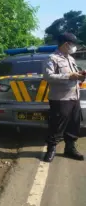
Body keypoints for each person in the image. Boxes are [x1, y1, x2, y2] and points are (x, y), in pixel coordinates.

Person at [43, 32, 85, 162]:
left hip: (74, 97)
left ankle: (70, 148)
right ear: (66, 44)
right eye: (73, 44)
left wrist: (80, 75)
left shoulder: (71, 59)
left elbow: (74, 74)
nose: (74, 47)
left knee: (74, 124)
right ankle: (51, 150)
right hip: (60, 99)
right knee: (56, 126)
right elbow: (48, 76)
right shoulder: (52, 58)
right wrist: (69, 76)